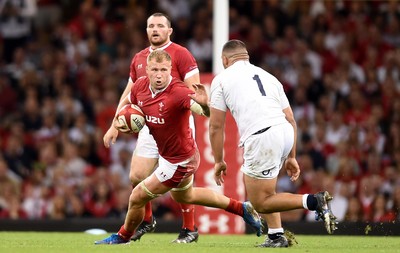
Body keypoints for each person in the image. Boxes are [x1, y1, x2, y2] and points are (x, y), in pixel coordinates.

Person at [95, 49, 263, 245]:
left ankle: (123, 236)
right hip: (170, 156)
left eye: (164, 70)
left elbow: (204, 112)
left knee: (137, 196)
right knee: (187, 195)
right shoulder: (140, 87)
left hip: (181, 161)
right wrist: (117, 123)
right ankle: (242, 208)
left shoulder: (179, 92)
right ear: (147, 70)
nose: (159, 74)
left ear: (171, 71)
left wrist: (205, 105)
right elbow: (129, 103)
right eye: (155, 69)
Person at [208, 40, 338, 248]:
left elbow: (216, 126)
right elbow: (291, 119)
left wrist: (218, 161)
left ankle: (314, 201)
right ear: (246, 57)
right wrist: (292, 156)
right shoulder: (269, 77)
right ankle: (276, 235)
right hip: (285, 131)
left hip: (262, 136)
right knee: (265, 190)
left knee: (260, 201)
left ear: (225, 60)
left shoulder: (221, 79)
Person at [103, 13, 201, 243]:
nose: (155, 29)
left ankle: (190, 228)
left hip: (178, 124)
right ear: (146, 30)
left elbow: (195, 92)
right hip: (150, 123)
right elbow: (129, 93)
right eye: (151, 26)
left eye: (160, 26)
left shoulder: (182, 54)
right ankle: (147, 219)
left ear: (170, 30)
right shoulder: (139, 58)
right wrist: (114, 124)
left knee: (182, 186)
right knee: (136, 175)